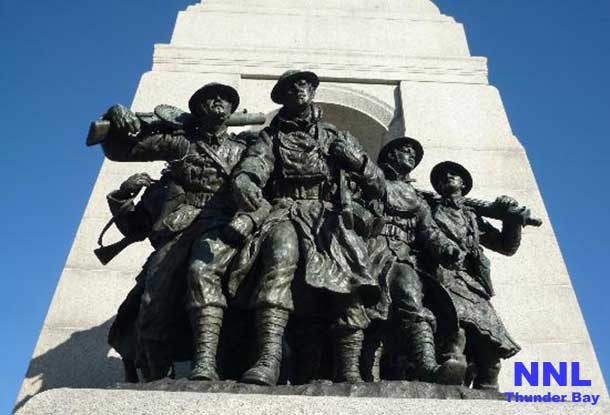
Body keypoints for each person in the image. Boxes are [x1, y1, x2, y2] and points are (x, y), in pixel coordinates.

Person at [230, 70, 385, 385]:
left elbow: (379, 186)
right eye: (291, 86)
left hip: (330, 217)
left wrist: (356, 162)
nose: (299, 89)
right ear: (283, 96)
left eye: (304, 84)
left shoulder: (337, 136)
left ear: (313, 90)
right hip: (285, 209)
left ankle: (350, 369)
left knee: (350, 283)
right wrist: (246, 178)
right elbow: (257, 163)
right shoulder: (270, 136)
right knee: (279, 261)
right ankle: (268, 360)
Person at [98, 83, 258, 381]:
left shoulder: (245, 150)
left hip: (223, 225)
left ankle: (206, 365)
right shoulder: (180, 144)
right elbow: (120, 149)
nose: (218, 103)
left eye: (224, 99)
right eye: (210, 99)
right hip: (180, 226)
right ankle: (158, 378)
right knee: (152, 302)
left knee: (202, 275)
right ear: (197, 110)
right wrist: (114, 115)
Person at [364, 137, 465, 384]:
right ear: (390, 156)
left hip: (401, 255)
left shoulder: (418, 199)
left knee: (411, 298)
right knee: (367, 310)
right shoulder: (372, 182)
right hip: (369, 250)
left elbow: (428, 231)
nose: (411, 155)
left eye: (414, 154)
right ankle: (366, 372)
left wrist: (447, 248)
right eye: (405, 151)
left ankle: (428, 367)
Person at [426, 161, 522, 390]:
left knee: (491, 358)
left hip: (471, 283)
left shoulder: (472, 217)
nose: (448, 177)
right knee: (454, 336)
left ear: (463, 184)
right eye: (443, 176)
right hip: (440, 278)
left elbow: (506, 247)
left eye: (454, 175)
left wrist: (512, 219)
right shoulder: (428, 208)